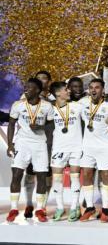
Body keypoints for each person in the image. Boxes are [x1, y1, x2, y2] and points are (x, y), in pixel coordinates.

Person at [6, 78, 54, 222]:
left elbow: (52, 126)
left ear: (38, 91)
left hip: (40, 145)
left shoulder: (47, 106)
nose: (26, 90)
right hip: (22, 143)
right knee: (16, 174)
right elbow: (11, 124)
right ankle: (13, 209)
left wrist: (41, 128)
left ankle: (39, 209)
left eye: (30, 88)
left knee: (41, 176)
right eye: (25, 87)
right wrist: (10, 144)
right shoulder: (18, 105)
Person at [79, 79, 108, 222]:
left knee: (105, 175)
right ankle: (90, 207)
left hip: (105, 146)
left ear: (103, 90)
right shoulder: (82, 102)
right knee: (86, 175)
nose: (93, 90)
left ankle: (105, 208)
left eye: (97, 88)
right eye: (91, 87)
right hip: (87, 146)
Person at [49, 81, 83, 222]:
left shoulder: (77, 106)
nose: (69, 91)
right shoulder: (49, 109)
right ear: (57, 93)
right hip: (58, 147)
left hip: (76, 147)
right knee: (57, 178)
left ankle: (75, 207)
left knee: (75, 177)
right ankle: (60, 207)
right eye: (65, 89)